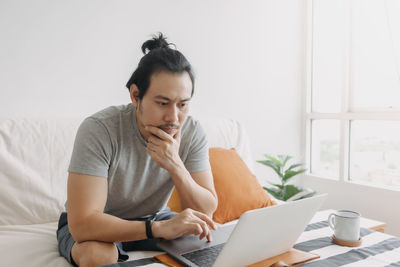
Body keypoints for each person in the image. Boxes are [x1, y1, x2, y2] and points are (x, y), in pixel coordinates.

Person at [56, 33, 218, 267]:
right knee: (97, 257)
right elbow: (83, 225)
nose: (174, 118)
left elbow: (207, 211)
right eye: (163, 103)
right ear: (135, 95)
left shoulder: (192, 131)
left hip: (156, 217)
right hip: (100, 225)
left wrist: (175, 165)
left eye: (182, 104)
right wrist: (156, 228)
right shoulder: (100, 130)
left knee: (206, 239)